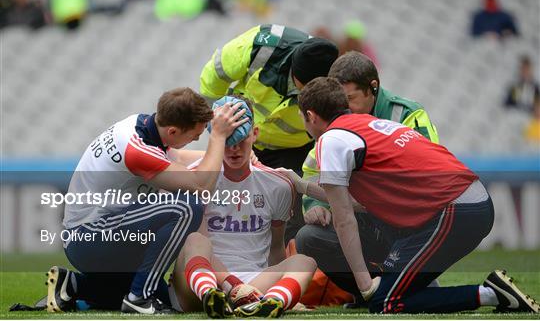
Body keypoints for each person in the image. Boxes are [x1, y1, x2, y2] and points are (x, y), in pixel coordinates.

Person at [283, 77, 539, 314]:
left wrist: (364, 286)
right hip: (467, 202)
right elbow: (361, 203)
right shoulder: (367, 124)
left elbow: (344, 218)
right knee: (389, 293)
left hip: (452, 209)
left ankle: (490, 294)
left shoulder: (331, 140)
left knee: (385, 302)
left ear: (311, 116)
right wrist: (303, 186)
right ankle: (413, 286)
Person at [46, 87, 248, 314]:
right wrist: (218, 137)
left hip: (92, 236)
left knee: (171, 299)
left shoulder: (142, 124)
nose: (196, 140)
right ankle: (139, 299)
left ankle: (73, 285)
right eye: (194, 136)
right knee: (186, 207)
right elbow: (201, 185)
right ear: (173, 131)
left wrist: (232, 157)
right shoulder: (138, 151)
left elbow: (178, 157)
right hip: (88, 238)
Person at [296, 51, 439, 304]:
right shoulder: (334, 127)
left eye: (349, 97)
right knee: (310, 238)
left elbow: (426, 174)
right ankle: (372, 293)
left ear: (373, 88)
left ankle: (403, 284)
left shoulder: (407, 115)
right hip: (364, 218)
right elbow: (313, 169)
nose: (344, 105)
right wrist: (316, 204)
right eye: (340, 98)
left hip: (406, 219)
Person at [167, 96, 316, 318]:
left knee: (304, 262)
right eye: (228, 140)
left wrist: (273, 284)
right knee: (195, 241)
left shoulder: (278, 185)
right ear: (215, 135)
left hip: (252, 286)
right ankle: (213, 298)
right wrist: (232, 286)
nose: (234, 149)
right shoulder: (196, 179)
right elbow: (191, 246)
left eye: (242, 139)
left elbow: (276, 247)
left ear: (255, 133)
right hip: (200, 281)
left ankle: (272, 302)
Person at [200, 24, 339, 242]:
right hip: (241, 136)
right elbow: (214, 76)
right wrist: (217, 125)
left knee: (289, 215)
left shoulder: (333, 87)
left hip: (293, 150)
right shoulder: (261, 45)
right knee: (223, 202)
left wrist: (314, 201)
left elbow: (327, 140)